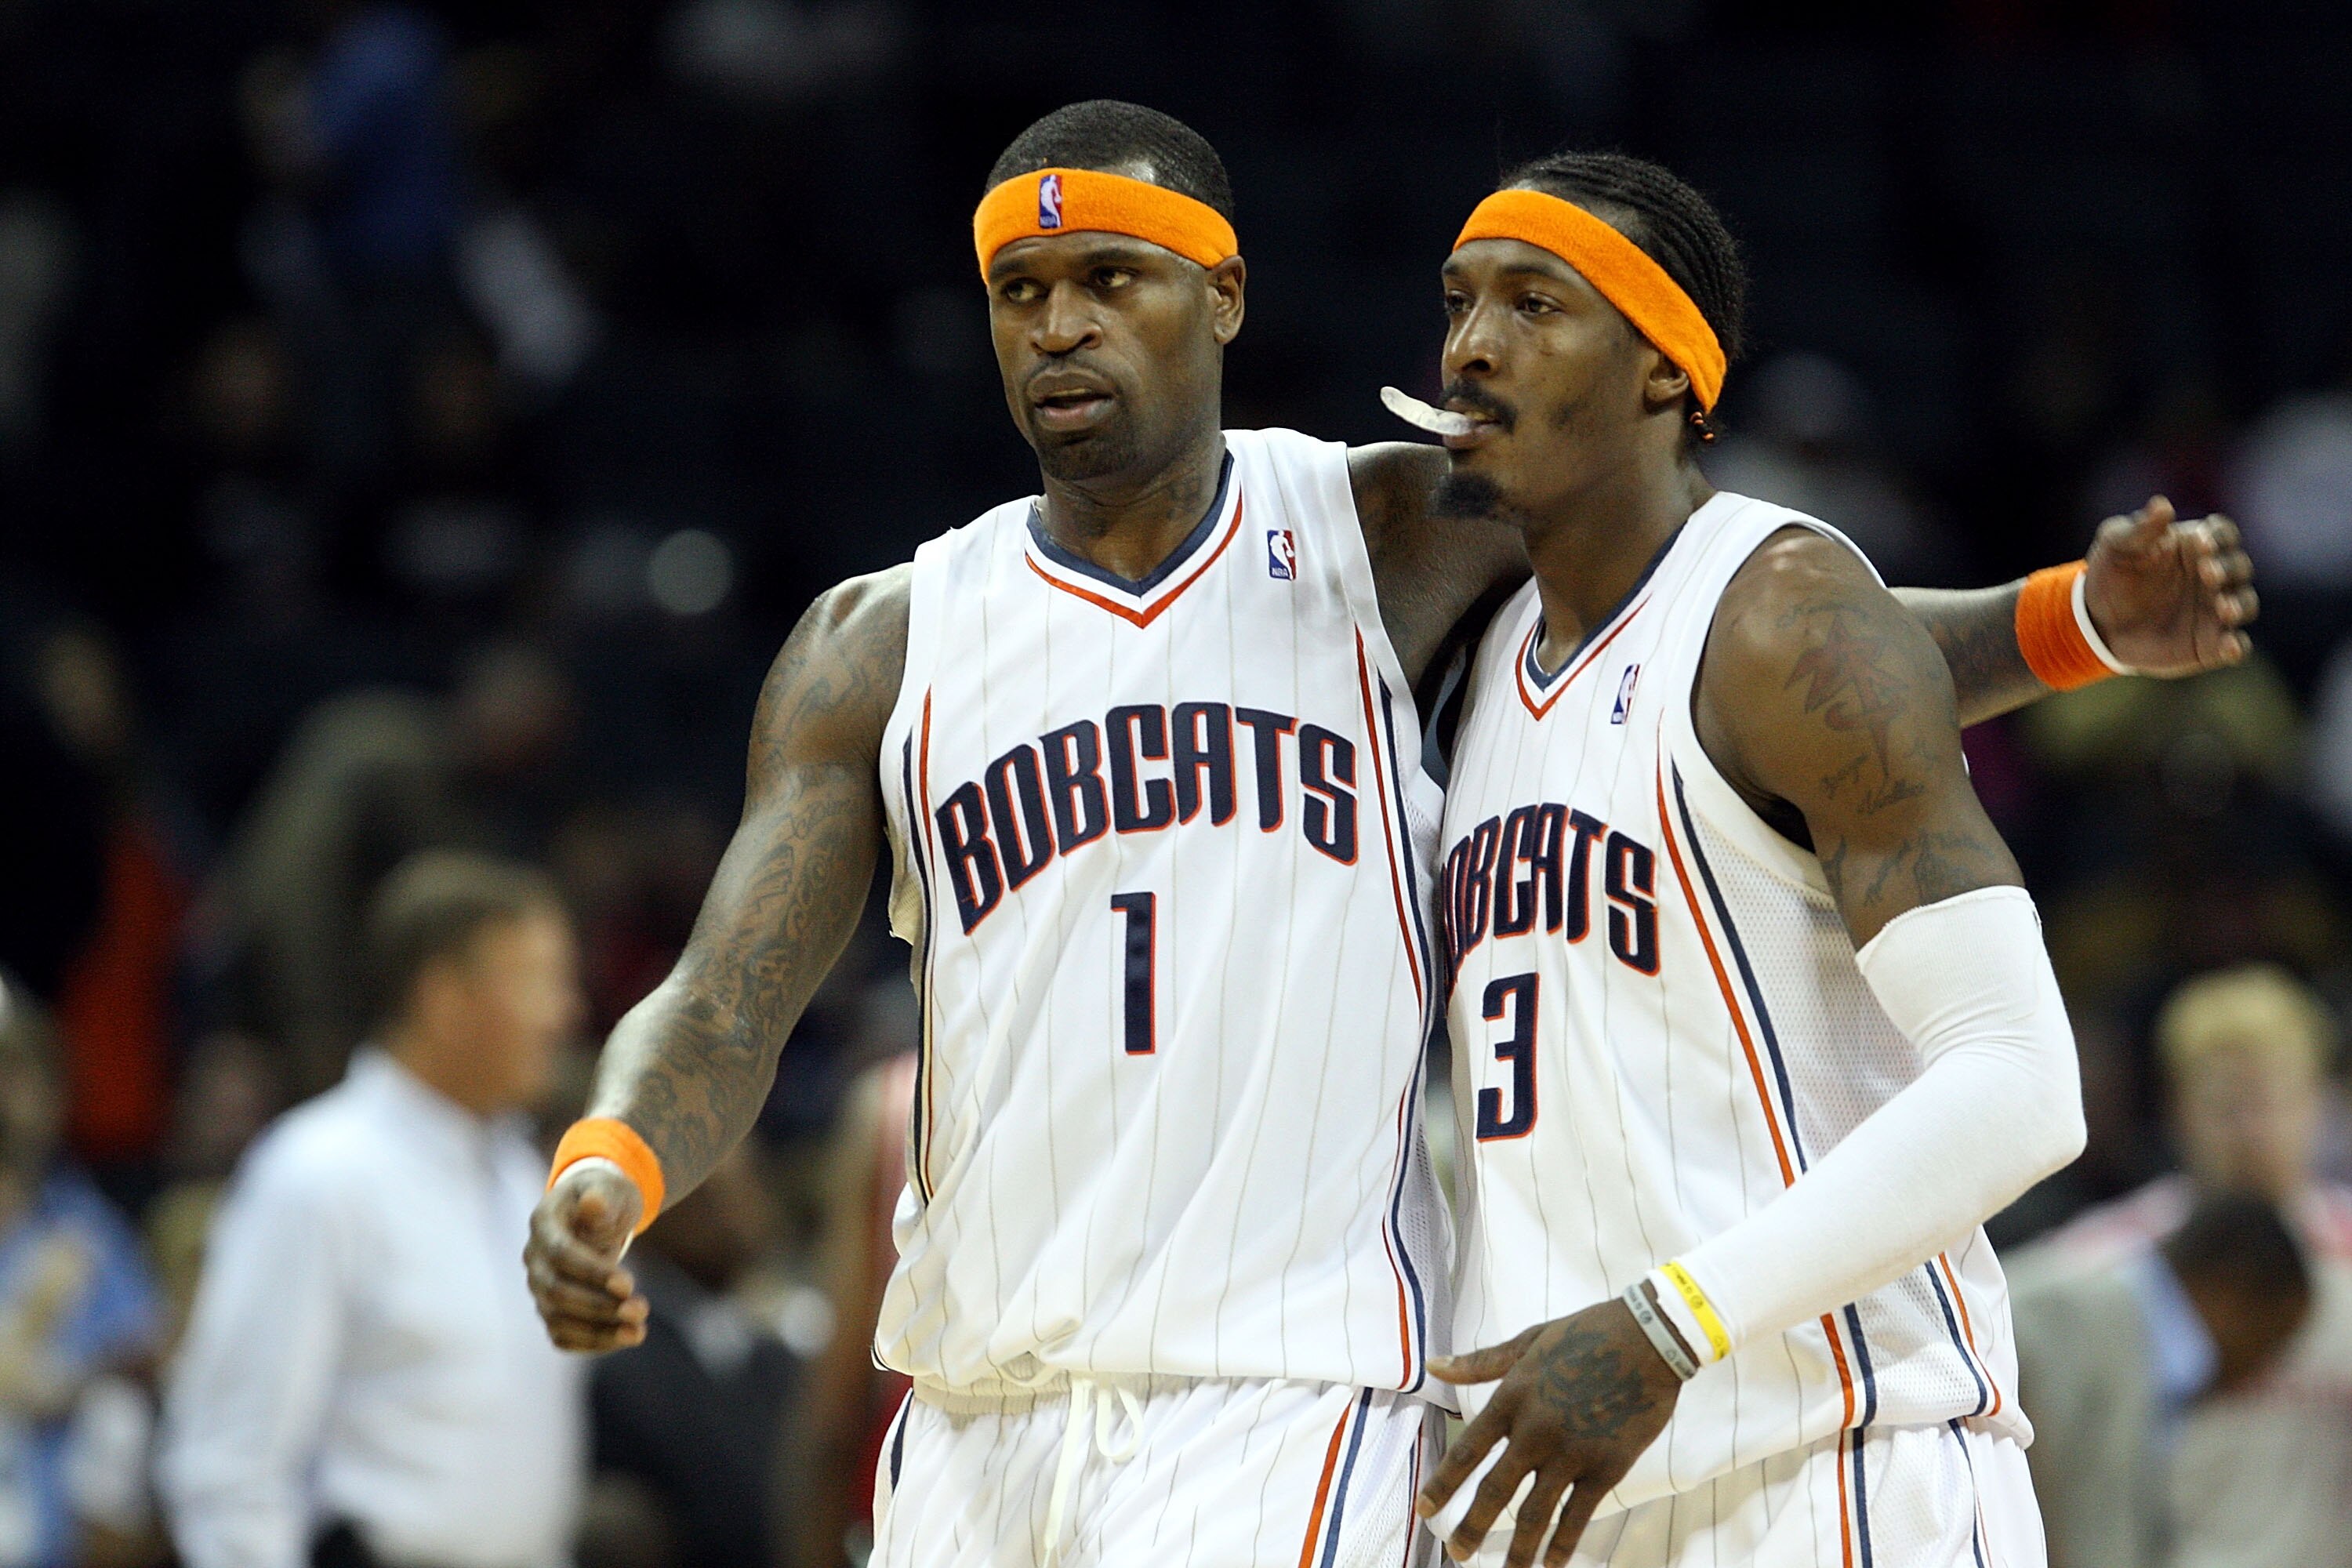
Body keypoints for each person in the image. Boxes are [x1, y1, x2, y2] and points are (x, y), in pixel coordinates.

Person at [524, 103, 2254, 1568]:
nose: (1059, 327)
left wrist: (2062, 626)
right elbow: (726, 992)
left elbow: (1768, 642)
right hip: (985, 1414)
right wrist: (612, 1162)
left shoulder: (1390, 531)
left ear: (1221, 295)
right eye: (1020, 293)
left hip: (1297, 1404)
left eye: (1111, 280)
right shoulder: (885, 639)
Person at [1406, 152, 2248, 1567]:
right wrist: (2068, 623)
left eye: (1536, 305)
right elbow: (1831, 668)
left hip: (1835, 1473)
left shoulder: (1786, 610)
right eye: (1458, 302)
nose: (1470, 348)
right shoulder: (1492, 658)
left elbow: (2023, 1085)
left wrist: (1670, 1322)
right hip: (1580, 1488)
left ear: (1667, 368)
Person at [162, 851, 586, 1568]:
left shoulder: (526, 1181)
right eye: (539, 981)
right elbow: (228, 1465)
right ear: (446, 998)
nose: (564, 1014)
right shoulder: (316, 1174)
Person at [2031, 966, 2352, 1568]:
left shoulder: (2346, 1260)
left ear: (2319, 1103)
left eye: (2271, 1102)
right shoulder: (2105, 1265)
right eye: (2226, 1107)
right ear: (2179, 1111)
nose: (2251, 1133)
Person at [2009, 1188, 2312, 1568]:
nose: (2264, 1368)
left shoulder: (2150, 1360)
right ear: (2229, 1294)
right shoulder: (2068, 1316)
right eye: (2274, 1336)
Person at [0, 975, 162, 1568]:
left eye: (19, 1074)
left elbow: (144, 1360)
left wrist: (77, 1381)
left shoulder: (85, 1232)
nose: (7, 1098)